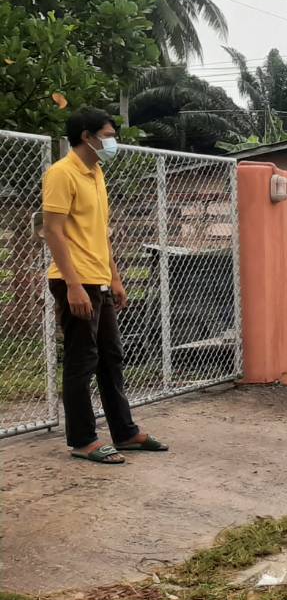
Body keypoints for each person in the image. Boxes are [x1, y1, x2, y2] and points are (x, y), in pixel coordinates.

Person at [42, 108, 164, 464]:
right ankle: (82, 440)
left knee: (110, 357)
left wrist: (114, 278)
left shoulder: (96, 173)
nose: (112, 141)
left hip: (99, 280)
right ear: (86, 136)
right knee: (82, 361)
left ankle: (124, 433)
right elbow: (53, 231)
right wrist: (74, 285)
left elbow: (100, 235)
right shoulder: (61, 173)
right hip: (74, 281)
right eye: (108, 134)